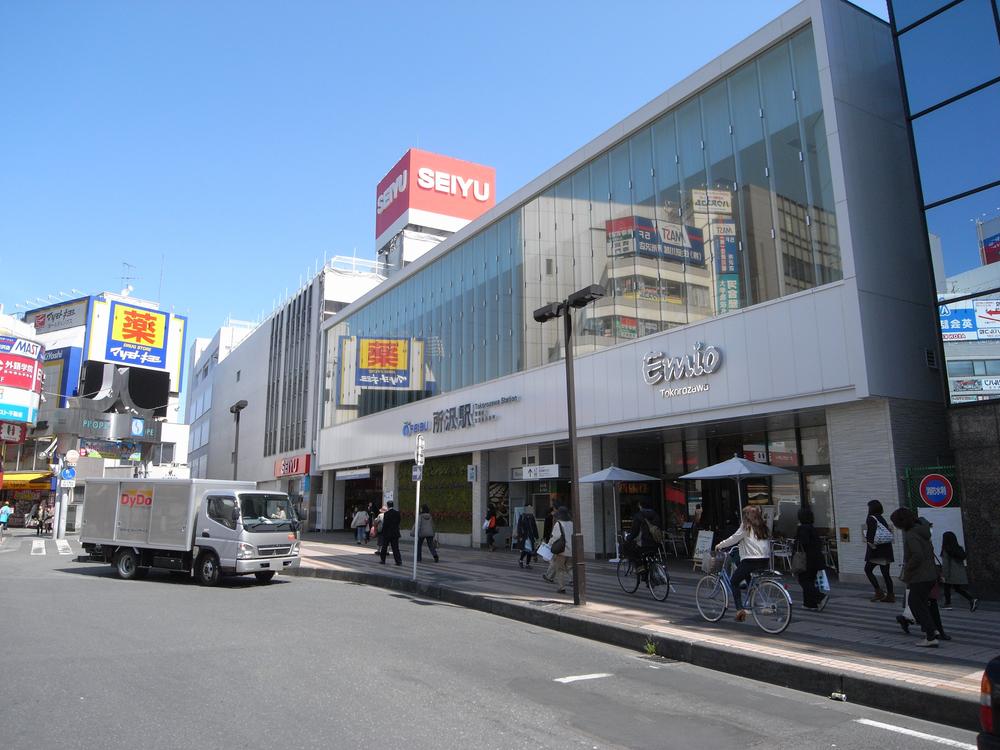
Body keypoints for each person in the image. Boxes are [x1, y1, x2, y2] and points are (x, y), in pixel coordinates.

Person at [890, 507, 941, 647]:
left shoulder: (911, 535)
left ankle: (931, 636)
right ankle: (932, 630)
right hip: (930, 574)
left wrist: (908, 569)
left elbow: (917, 555)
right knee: (922, 604)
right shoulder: (922, 531)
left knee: (915, 604)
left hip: (919, 576)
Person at [714, 505, 771, 622]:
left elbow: (734, 538)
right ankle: (751, 602)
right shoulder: (762, 526)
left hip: (751, 560)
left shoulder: (746, 526)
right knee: (748, 576)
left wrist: (720, 545)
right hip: (764, 559)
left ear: (746, 516)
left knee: (734, 581)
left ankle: (740, 610)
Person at [794, 507, 828, 611]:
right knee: (809, 580)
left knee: (804, 581)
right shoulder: (812, 528)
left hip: (806, 560)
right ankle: (809, 603)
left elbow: (803, 543)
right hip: (816, 559)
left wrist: (795, 542)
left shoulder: (803, 528)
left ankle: (820, 596)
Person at [863, 499, 895, 603]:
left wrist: (870, 543)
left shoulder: (871, 518)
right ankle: (890, 595)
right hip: (886, 549)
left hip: (877, 551)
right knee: (886, 574)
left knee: (868, 569)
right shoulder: (881, 518)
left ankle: (878, 592)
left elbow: (871, 535)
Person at [940, 531, 978, 612]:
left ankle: (948, 604)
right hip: (959, 574)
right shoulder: (959, 548)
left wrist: (944, 575)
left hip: (950, 574)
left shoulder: (946, 550)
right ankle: (971, 599)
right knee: (957, 589)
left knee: (947, 587)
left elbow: (946, 565)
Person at [625, 499, 661, 574]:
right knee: (649, 554)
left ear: (640, 506)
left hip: (644, 544)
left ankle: (640, 568)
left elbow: (634, 532)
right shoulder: (655, 514)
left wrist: (628, 538)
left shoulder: (638, 516)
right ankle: (649, 577)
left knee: (630, 550)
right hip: (656, 543)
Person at [542, 507, 573, 594]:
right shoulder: (571, 523)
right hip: (572, 550)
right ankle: (575, 581)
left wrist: (549, 545)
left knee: (560, 569)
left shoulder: (558, 524)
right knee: (570, 567)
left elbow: (555, 537)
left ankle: (561, 587)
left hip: (561, 551)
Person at [379, 501, 402, 566]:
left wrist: (383, 532)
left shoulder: (386, 514)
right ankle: (398, 561)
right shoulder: (397, 513)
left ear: (388, 506)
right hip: (395, 533)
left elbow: (385, 524)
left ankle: (383, 560)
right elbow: (398, 522)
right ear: (393, 505)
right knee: (395, 548)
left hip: (387, 533)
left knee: (384, 547)